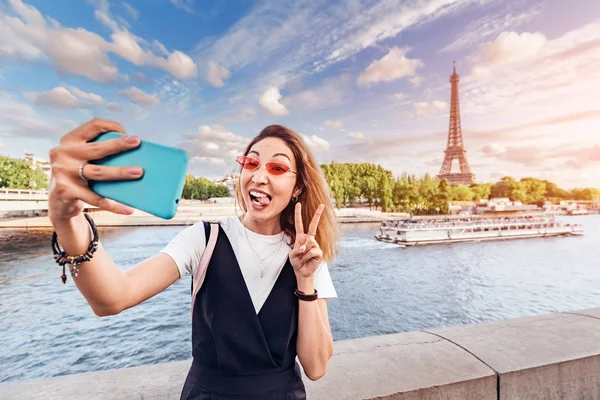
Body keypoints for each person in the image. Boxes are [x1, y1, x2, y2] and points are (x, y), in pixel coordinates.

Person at [48, 118, 340, 400]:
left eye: (277, 167)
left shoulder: (307, 254)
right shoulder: (205, 238)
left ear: (298, 186)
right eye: (251, 163)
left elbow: (316, 367)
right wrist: (68, 221)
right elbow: (111, 298)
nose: (259, 176)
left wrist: (305, 279)